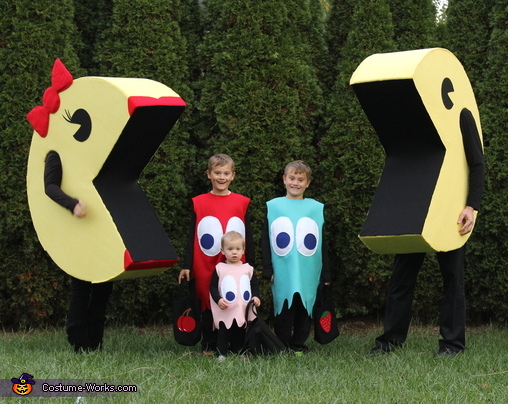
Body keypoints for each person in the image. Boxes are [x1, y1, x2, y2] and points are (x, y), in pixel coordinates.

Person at [370, 110, 485, 357]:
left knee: (453, 279)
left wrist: (471, 206)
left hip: (450, 213)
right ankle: (389, 341)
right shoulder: (413, 118)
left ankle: (452, 345)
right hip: (413, 211)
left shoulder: (460, 115)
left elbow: (477, 162)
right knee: (401, 279)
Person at [178, 154, 254, 354]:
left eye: (226, 173)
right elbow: (192, 235)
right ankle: (210, 345)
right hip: (204, 263)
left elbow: (249, 236)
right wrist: (187, 264)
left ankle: (235, 344)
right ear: (209, 174)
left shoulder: (242, 202)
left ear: (233, 176)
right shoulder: (199, 202)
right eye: (217, 173)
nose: (222, 177)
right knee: (207, 302)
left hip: (235, 265)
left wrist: (252, 263)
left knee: (234, 301)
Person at [44, 150, 113, 352]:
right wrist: (73, 205)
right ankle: (79, 341)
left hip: (102, 223)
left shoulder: (94, 147)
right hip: (79, 225)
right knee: (81, 284)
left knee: (105, 282)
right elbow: (50, 187)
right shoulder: (57, 152)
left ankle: (95, 342)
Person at [262, 160, 331, 353]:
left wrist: (326, 272)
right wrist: (267, 267)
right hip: (282, 268)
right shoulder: (274, 206)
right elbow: (266, 239)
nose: (295, 183)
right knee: (284, 307)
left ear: (307, 183)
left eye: (300, 179)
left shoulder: (315, 208)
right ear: (284, 179)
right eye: (292, 178)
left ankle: (298, 344)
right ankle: (282, 344)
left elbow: (321, 242)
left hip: (308, 270)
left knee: (304, 307)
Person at [210, 231, 261, 361]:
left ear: (243, 250)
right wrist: (218, 299)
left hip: (242, 308)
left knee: (240, 331)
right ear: (222, 251)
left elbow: (254, 285)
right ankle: (221, 352)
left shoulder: (247, 268)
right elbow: (213, 287)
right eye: (230, 249)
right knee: (224, 331)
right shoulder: (220, 268)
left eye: (238, 249)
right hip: (225, 309)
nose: (234, 252)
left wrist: (256, 297)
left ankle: (239, 350)